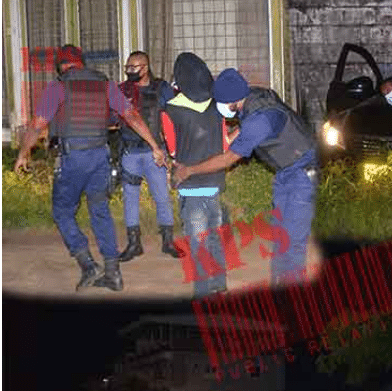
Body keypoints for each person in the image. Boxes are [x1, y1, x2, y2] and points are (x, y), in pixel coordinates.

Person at [13, 45, 166, 291]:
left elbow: (37, 124)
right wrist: (155, 146)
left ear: (61, 65)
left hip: (73, 157)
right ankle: (113, 273)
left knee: (62, 211)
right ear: (82, 63)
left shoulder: (59, 86)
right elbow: (132, 116)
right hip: (100, 156)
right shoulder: (105, 85)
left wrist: (23, 154)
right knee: (100, 211)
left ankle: (88, 265)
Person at [173, 68, 318, 286]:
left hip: (303, 176)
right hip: (288, 172)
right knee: (281, 234)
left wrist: (189, 170)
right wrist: (226, 139)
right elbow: (242, 132)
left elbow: (228, 159)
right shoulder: (256, 97)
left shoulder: (259, 121)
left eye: (220, 102)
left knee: (293, 240)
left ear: (231, 101)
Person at [161, 52, 228, 298]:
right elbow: (224, 144)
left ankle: (202, 292)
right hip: (215, 183)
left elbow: (173, 148)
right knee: (214, 237)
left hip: (190, 186)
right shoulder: (217, 106)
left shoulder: (171, 108)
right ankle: (219, 283)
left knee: (197, 242)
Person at [114, 51, 179, 263]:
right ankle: (134, 244)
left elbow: (176, 117)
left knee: (162, 197)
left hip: (155, 153)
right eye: (128, 67)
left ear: (146, 67)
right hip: (130, 152)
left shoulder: (162, 89)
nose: (130, 71)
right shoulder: (122, 90)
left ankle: (168, 241)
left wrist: (174, 151)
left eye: (134, 67)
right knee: (130, 200)